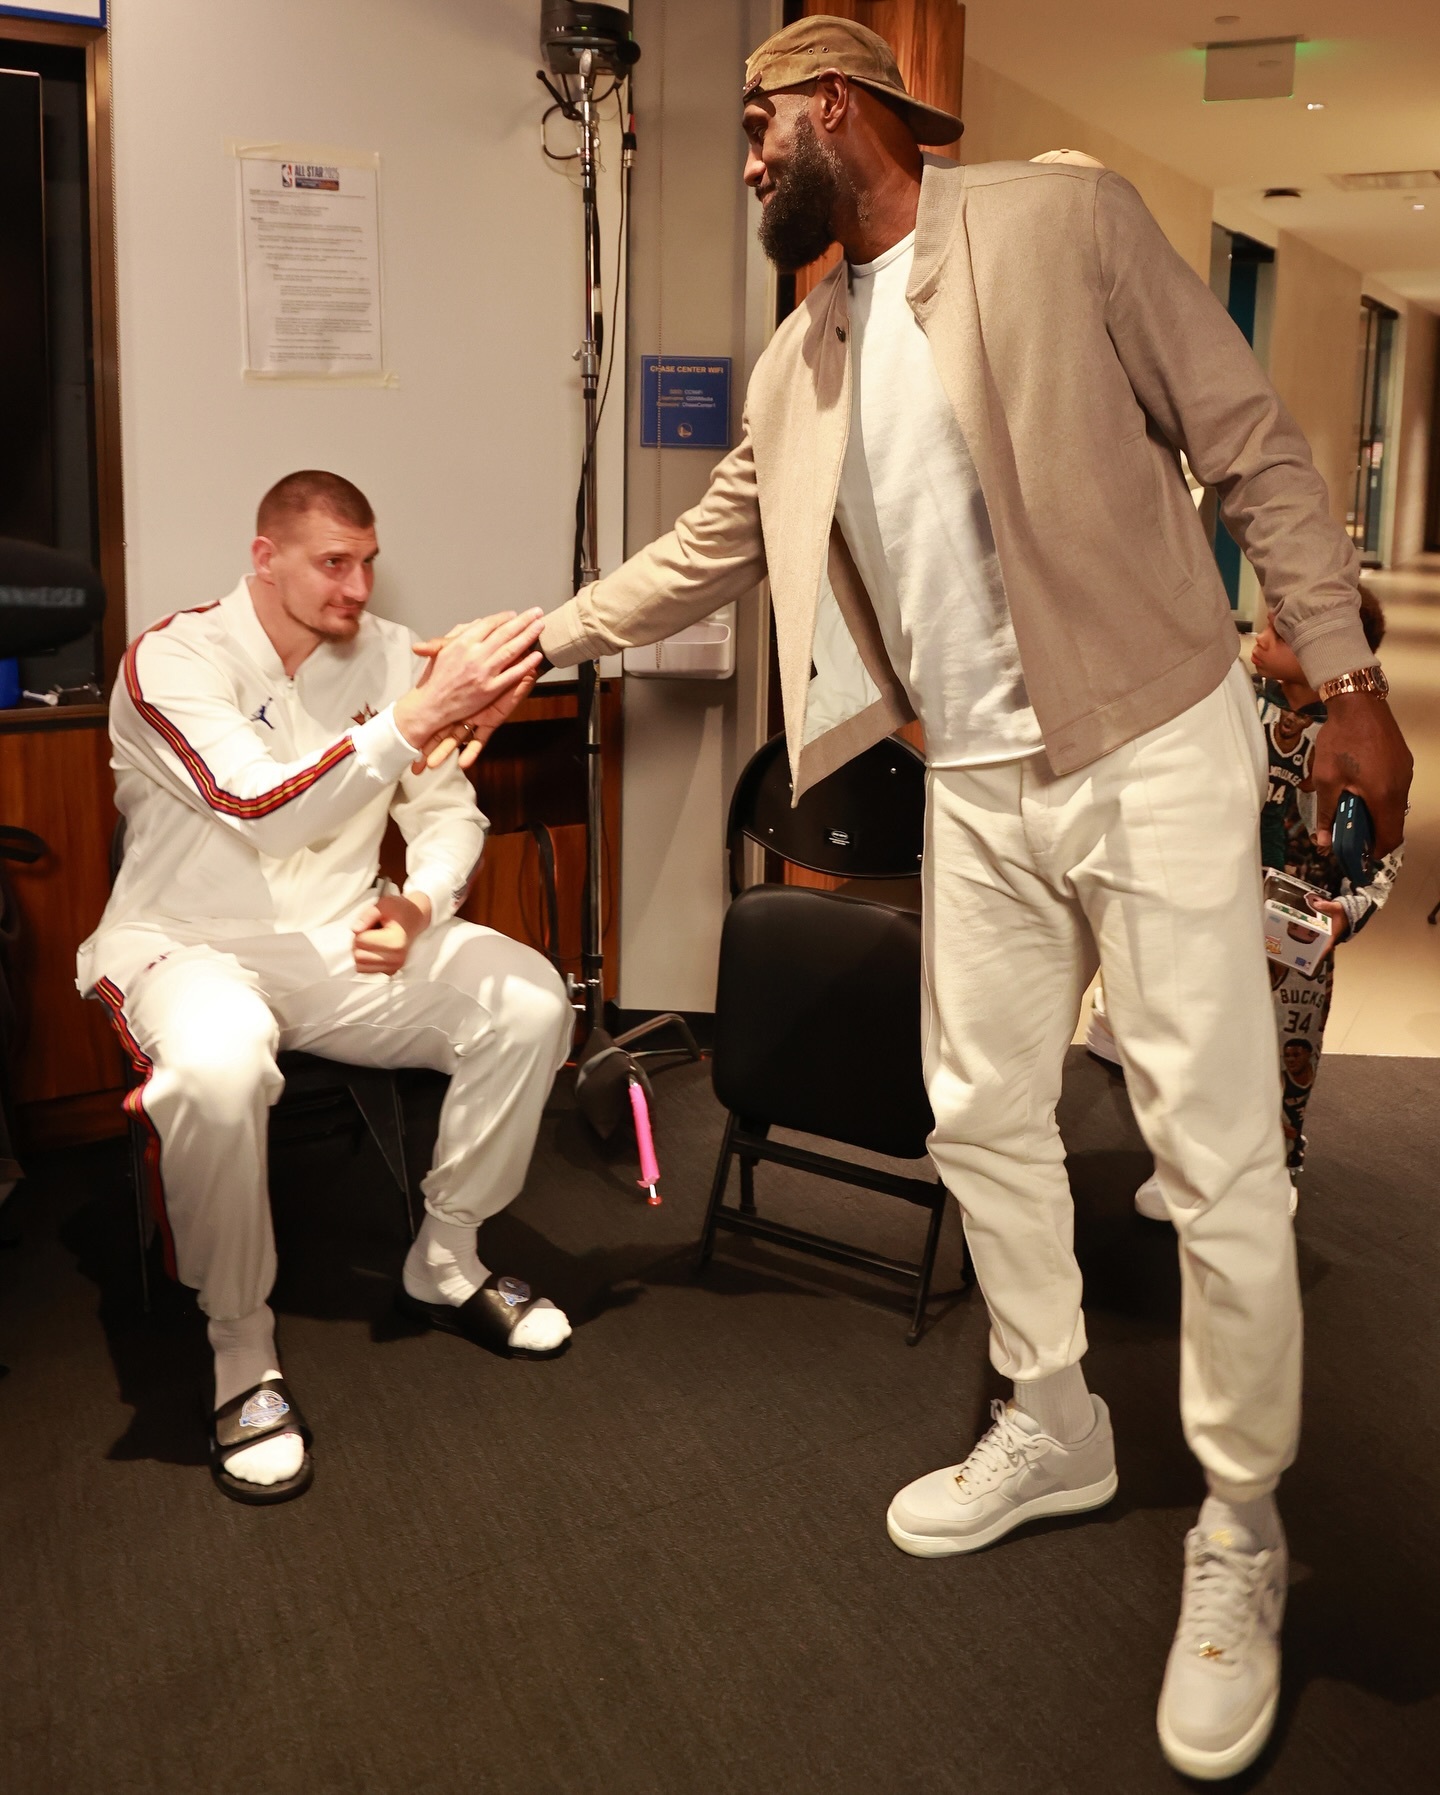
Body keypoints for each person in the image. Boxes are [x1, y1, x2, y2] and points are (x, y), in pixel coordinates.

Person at [425, 16, 1414, 1780]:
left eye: (756, 126)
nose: (745, 159)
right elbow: (709, 548)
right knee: (978, 1114)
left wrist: (1347, 681)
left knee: (1212, 1154)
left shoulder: (1059, 220)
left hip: (1151, 738)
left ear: (838, 106)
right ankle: (1056, 1417)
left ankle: (1242, 1522)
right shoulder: (797, 358)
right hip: (976, 775)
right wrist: (538, 639)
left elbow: (1252, 439)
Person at [78, 471, 575, 1507]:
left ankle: (446, 1256)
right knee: (217, 1069)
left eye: (368, 563)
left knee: (530, 999)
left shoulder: (392, 655)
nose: (357, 587)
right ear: (265, 557)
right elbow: (263, 807)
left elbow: (447, 811)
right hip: (186, 945)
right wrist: (414, 715)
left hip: (337, 940)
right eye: (333, 563)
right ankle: (239, 1344)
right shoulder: (174, 658)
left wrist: (421, 904)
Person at [1134, 591, 1401, 1222]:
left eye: (1278, 635)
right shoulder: (1234, 702)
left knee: (1287, 1043)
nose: (1259, 638)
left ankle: (1273, 1166)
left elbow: (1387, 846)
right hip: (1211, 904)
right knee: (1194, 1034)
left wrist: (1349, 910)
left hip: (1302, 928)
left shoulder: (1360, 737)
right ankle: (1183, 1162)